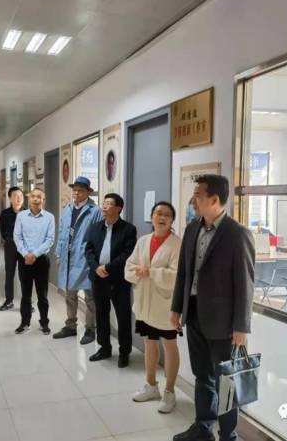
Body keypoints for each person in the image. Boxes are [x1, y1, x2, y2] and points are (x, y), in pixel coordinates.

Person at [170, 175, 255, 441]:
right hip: (194, 313)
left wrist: (242, 326)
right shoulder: (192, 229)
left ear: (215, 199)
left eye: (198, 195)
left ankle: (228, 435)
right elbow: (183, 273)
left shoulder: (237, 234)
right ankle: (203, 427)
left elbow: (245, 284)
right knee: (202, 375)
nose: (193, 200)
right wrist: (177, 308)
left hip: (223, 322)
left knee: (226, 380)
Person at [125, 201, 182, 414]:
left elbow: (177, 276)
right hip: (144, 303)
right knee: (149, 343)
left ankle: (169, 392)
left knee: (169, 346)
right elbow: (129, 266)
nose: (162, 217)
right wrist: (138, 272)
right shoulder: (143, 241)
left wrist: (151, 272)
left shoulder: (177, 244)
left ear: (172, 220)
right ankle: (151, 386)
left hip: (166, 306)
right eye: (158, 213)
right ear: (152, 217)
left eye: (167, 214)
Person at [84, 193, 136, 367]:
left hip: (118, 280)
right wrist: (96, 267)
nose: (104, 206)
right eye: (103, 203)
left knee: (123, 316)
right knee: (101, 314)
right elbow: (89, 250)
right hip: (98, 278)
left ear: (118, 208)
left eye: (109, 204)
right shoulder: (95, 227)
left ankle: (124, 352)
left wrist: (107, 267)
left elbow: (127, 254)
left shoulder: (128, 229)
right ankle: (104, 348)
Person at [53, 176, 103, 344]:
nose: (76, 193)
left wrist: (94, 261)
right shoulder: (68, 209)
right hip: (68, 257)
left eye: (80, 190)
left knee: (90, 296)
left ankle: (90, 329)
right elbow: (62, 233)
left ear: (88, 192)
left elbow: (97, 237)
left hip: (85, 258)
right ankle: (70, 326)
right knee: (70, 294)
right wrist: (59, 254)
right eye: (74, 190)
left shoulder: (94, 211)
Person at [13, 188, 55, 335]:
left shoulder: (49, 217)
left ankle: (44, 322)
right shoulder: (21, 216)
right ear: (29, 199)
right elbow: (17, 237)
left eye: (39, 197)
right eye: (33, 196)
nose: (36, 199)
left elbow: (50, 240)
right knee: (25, 294)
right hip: (24, 259)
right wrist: (26, 254)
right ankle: (25, 323)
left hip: (41, 260)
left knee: (42, 295)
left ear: (43, 200)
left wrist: (34, 254)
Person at [0, 186, 25, 311]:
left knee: (25, 275)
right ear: (10, 198)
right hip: (10, 246)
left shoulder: (29, 213)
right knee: (9, 274)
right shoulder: (4, 214)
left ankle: (27, 302)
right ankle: (9, 301)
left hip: (25, 247)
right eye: (15, 196)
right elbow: (3, 232)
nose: (18, 198)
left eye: (20, 196)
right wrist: (11, 240)